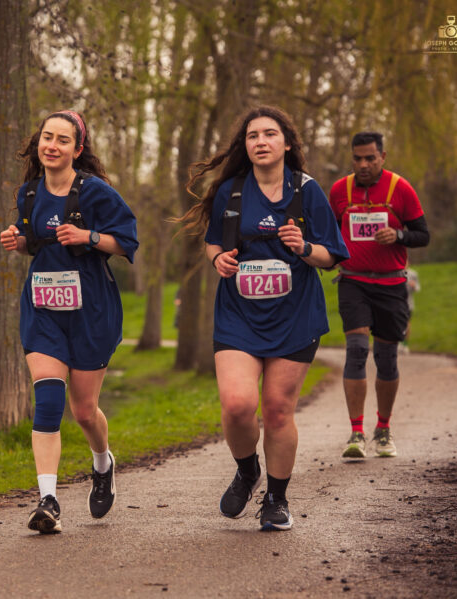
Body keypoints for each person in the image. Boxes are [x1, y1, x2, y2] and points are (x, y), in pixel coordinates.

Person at [176, 106, 348, 531]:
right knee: (237, 406)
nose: (261, 142)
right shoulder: (230, 192)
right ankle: (247, 469)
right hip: (239, 314)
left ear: (287, 143)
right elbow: (213, 243)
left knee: (276, 410)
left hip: (295, 317)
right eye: (253, 136)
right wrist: (219, 261)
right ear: (246, 145)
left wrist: (304, 247)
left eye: (270, 134)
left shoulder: (307, 192)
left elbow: (333, 257)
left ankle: (276, 498)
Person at [0, 110, 138, 534]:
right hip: (43, 309)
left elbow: (127, 240)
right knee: (47, 403)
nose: (52, 145)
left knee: (82, 411)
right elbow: (35, 245)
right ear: (38, 143)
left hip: (91, 311)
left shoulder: (95, 193)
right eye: (46, 137)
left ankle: (102, 463)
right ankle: (48, 499)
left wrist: (89, 237)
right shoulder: (29, 194)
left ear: (77, 149)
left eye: (62, 140)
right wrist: (18, 241)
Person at [329, 132, 430, 459]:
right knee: (356, 350)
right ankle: (356, 432)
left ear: (382, 156)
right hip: (353, 282)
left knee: (386, 359)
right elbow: (328, 233)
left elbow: (423, 235)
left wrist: (398, 234)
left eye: (370, 158)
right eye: (357, 158)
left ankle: (383, 430)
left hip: (391, 285)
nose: (363, 165)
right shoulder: (340, 191)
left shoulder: (400, 189)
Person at [400, 267, 421, 354]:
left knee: (407, 323)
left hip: (408, 304)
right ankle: (398, 342)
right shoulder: (396, 273)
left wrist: (414, 286)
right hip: (397, 303)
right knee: (398, 323)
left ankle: (405, 344)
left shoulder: (413, 273)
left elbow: (418, 288)